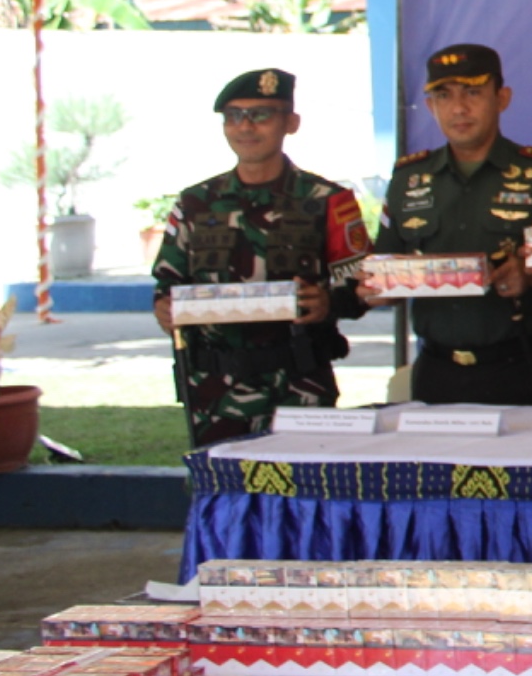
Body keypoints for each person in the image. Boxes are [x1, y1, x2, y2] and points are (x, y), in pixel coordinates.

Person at [150, 68, 369, 445]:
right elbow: (168, 282)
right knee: (222, 483)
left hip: (299, 386)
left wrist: (328, 302)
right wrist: (164, 309)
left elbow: (364, 287)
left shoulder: (327, 200)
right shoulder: (195, 203)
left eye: (260, 115)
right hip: (214, 392)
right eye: (233, 116)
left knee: (302, 483)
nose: (245, 126)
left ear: (291, 123)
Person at [367, 44, 532, 405]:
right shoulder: (408, 178)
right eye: (444, 95)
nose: (458, 108)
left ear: (502, 98)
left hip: (516, 366)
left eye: (472, 92)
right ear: (430, 106)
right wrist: (375, 288)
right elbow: (381, 274)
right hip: (436, 368)